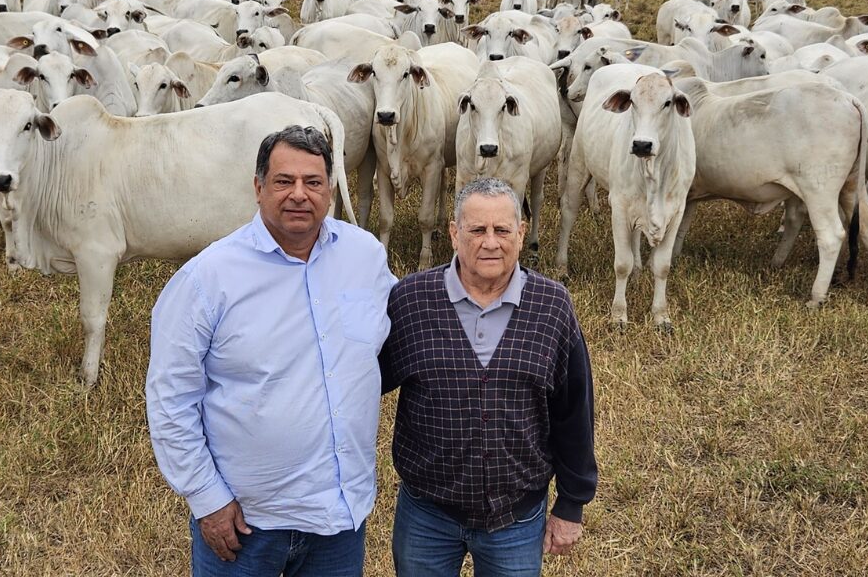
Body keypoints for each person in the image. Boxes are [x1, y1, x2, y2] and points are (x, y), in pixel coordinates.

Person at [147, 125, 396, 576]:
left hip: (338, 516)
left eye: (313, 182)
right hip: (246, 523)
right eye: (284, 181)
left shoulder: (365, 257)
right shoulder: (208, 278)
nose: (299, 194)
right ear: (258, 187)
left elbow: (402, 336)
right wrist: (207, 499)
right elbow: (170, 399)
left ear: (331, 189)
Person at [379, 177, 597, 577]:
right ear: (453, 233)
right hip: (427, 513)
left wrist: (571, 504)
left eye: (502, 230)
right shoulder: (410, 300)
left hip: (515, 518)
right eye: (477, 230)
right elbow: (363, 382)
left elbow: (574, 411)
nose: (490, 242)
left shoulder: (552, 305)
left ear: (522, 232)